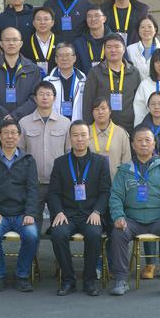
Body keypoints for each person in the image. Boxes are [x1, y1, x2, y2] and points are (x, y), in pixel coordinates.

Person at [107, 127, 160, 297]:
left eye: (148, 140)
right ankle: (121, 280)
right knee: (118, 233)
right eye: (139, 140)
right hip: (132, 219)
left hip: (159, 219)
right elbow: (115, 196)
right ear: (133, 145)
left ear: (154, 144)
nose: (143, 144)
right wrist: (118, 216)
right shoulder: (124, 170)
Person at [42, 121, 110, 296]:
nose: (79, 139)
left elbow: (105, 191)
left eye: (83, 135)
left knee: (94, 234)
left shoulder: (100, 162)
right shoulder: (60, 163)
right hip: (67, 214)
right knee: (58, 234)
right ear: (70, 138)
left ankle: (89, 281)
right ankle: (68, 280)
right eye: (75, 135)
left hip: (91, 214)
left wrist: (97, 211)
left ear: (89, 137)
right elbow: (53, 193)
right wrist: (58, 212)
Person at [0, 120, 40, 292]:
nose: (10, 136)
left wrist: (30, 213)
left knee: (32, 235)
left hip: (22, 214)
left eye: (14, 133)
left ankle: (22, 276)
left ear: (19, 136)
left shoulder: (28, 160)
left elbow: (33, 189)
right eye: (6, 133)